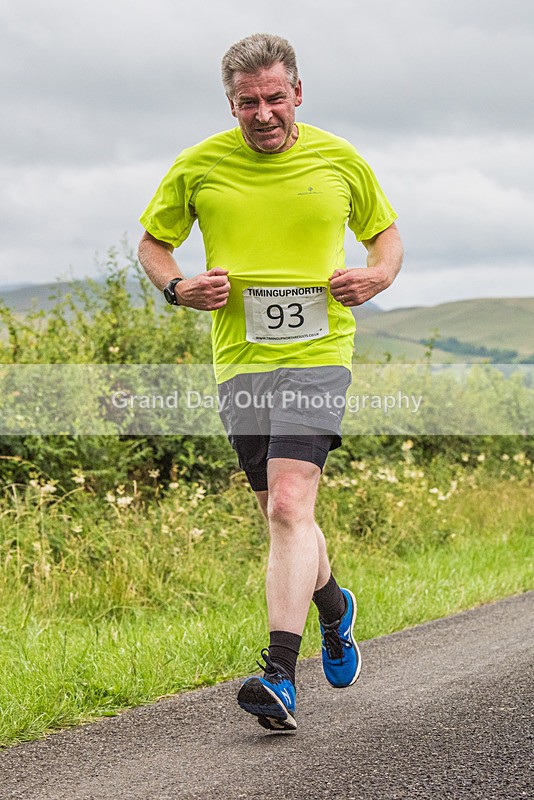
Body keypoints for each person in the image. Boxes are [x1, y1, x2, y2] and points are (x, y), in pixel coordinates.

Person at [138, 32, 403, 733]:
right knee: (282, 518)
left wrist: (377, 276)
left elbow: (387, 238)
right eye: (247, 102)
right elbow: (152, 244)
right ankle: (335, 608)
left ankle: (280, 677)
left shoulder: (340, 159)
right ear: (232, 104)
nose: (263, 114)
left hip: (320, 352)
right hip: (241, 361)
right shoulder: (198, 166)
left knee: (291, 504)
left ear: (298, 94)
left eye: (275, 98)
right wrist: (177, 287)